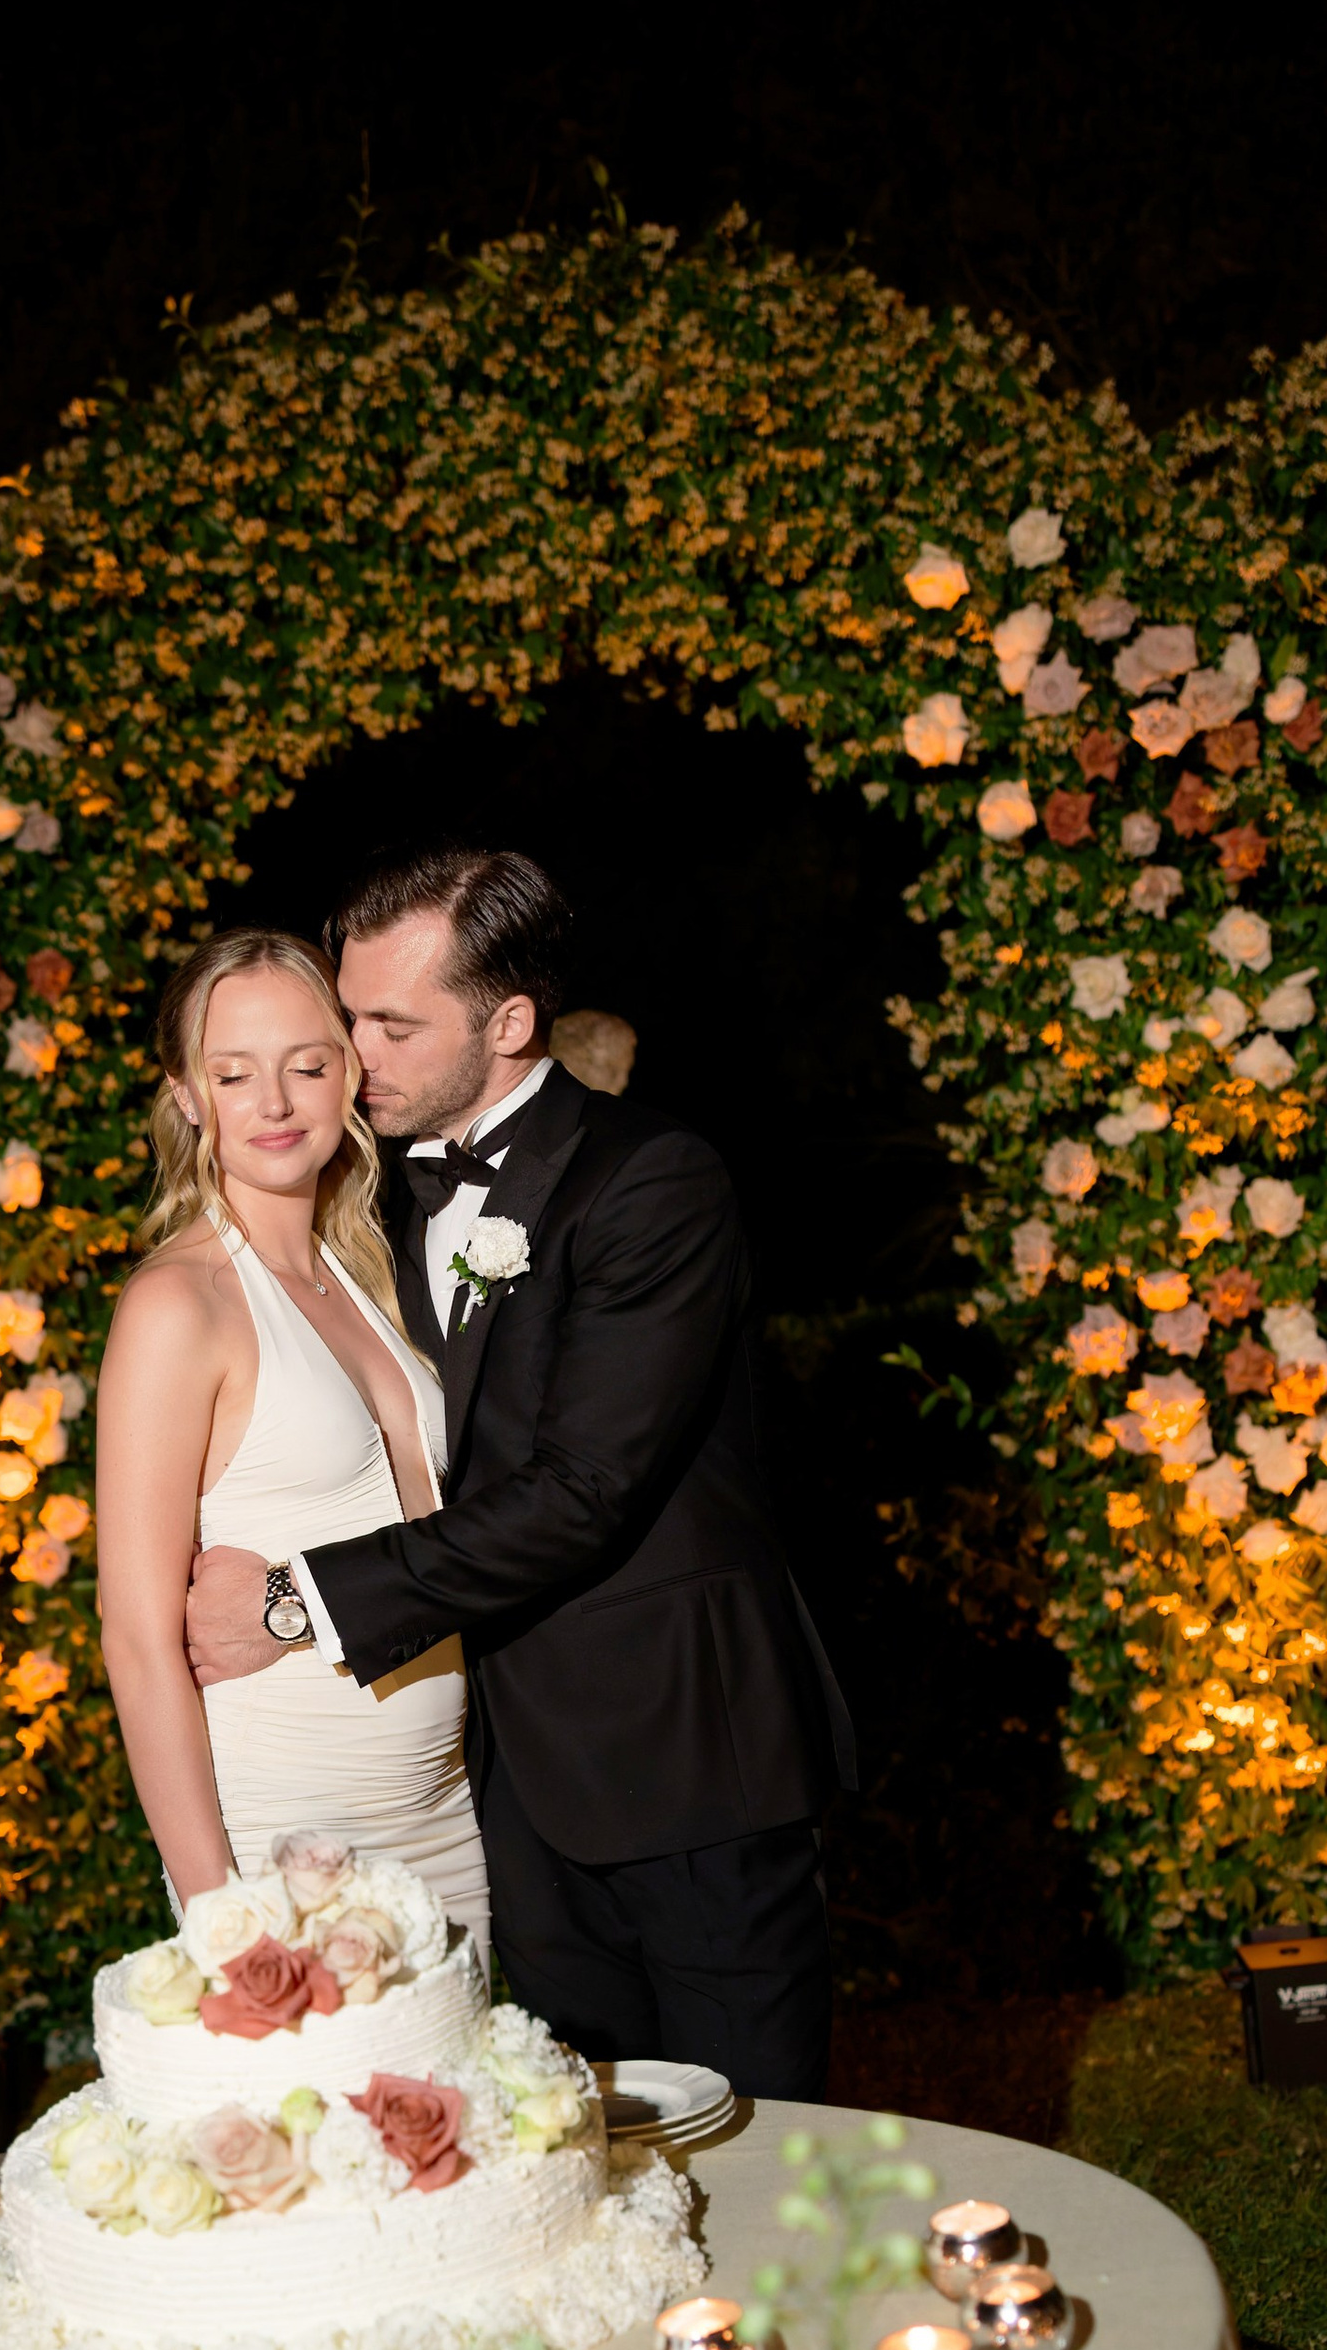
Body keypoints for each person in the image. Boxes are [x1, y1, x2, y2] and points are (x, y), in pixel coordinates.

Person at [184, 844, 852, 2100]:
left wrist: (291, 1601)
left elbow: (581, 1492)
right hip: (493, 1794)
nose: (351, 1056)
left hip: (680, 1772)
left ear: (508, 1022)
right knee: (564, 2166)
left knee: (756, 2151)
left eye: (388, 1024)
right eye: (349, 1015)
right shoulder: (364, 1204)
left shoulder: (652, 1184)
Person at [91, 927, 489, 1950]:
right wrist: (219, 1907)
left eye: (306, 1066)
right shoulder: (178, 1305)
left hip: (449, 1826)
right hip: (288, 1842)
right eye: (234, 1074)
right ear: (187, 1095)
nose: (273, 1104)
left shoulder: (368, 1275)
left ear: (351, 1074)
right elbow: (138, 1641)